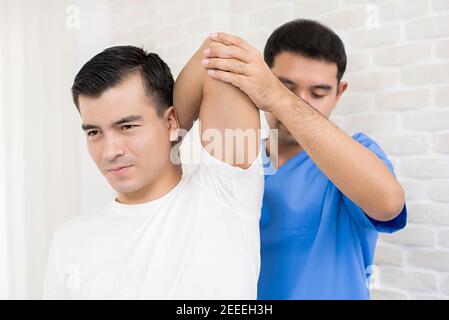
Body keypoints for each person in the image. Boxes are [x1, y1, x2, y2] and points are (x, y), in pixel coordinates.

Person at [201, 20, 407, 299]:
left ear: (339, 93)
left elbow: (388, 205)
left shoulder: (359, 153)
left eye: (318, 93)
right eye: (285, 86)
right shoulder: (237, 159)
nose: (301, 101)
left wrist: (279, 97)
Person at [43, 40, 264, 299]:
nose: (110, 151)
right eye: (94, 132)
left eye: (127, 127)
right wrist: (158, 136)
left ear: (171, 120)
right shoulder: (68, 240)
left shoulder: (224, 193)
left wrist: (169, 135)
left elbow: (219, 53)